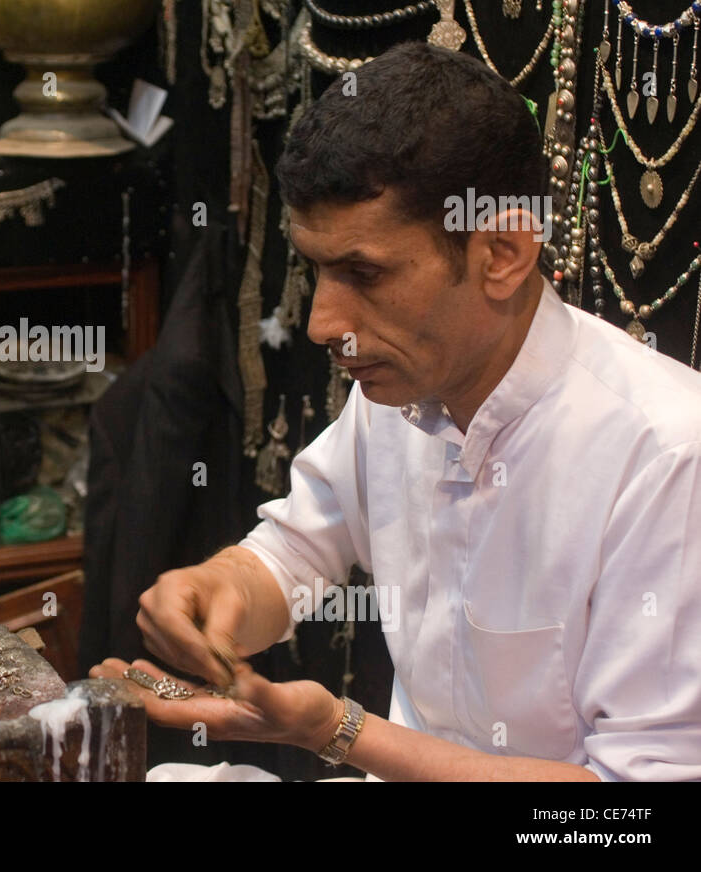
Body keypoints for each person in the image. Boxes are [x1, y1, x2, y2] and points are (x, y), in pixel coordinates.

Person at [90, 42, 701, 781]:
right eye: (317, 269)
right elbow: (294, 555)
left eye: (364, 273)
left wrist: (338, 731)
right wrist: (218, 593)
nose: (322, 324)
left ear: (502, 252)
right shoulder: (405, 389)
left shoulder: (667, 456)